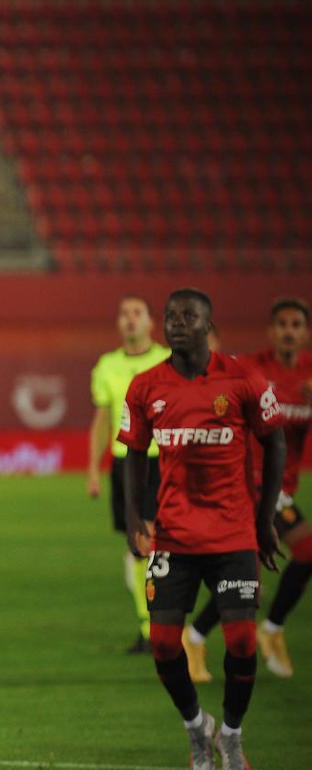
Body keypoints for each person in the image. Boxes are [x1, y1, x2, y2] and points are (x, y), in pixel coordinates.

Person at [119, 288, 284, 770]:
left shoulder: (243, 379)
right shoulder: (146, 385)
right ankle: (197, 727)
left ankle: (231, 735)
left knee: (241, 642)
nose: (176, 323)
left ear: (208, 324)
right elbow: (133, 453)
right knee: (166, 644)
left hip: (233, 534)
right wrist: (134, 517)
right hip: (174, 534)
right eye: (170, 316)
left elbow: (274, 445)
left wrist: (265, 516)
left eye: (187, 316)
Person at [185, 297, 312, 681]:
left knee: (249, 577)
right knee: (302, 551)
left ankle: (196, 636)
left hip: (280, 487)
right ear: (271, 332)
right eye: (283, 324)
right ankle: (264, 631)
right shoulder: (253, 367)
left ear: (305, 333)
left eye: (296, 325)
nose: (289, 331)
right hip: (245, 484)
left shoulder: (309, 375)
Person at [88, 296, 170, 653]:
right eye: (124, 313)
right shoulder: (107, 366)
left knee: (151, 542)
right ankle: (148, 625)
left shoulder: (168, 361)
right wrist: (93, 467)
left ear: (151, 322)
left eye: (137, 312)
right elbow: (103, 419)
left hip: (162, 459)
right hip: (125, 462)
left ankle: (161, 625)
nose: (130, 319)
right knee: (137, 548)